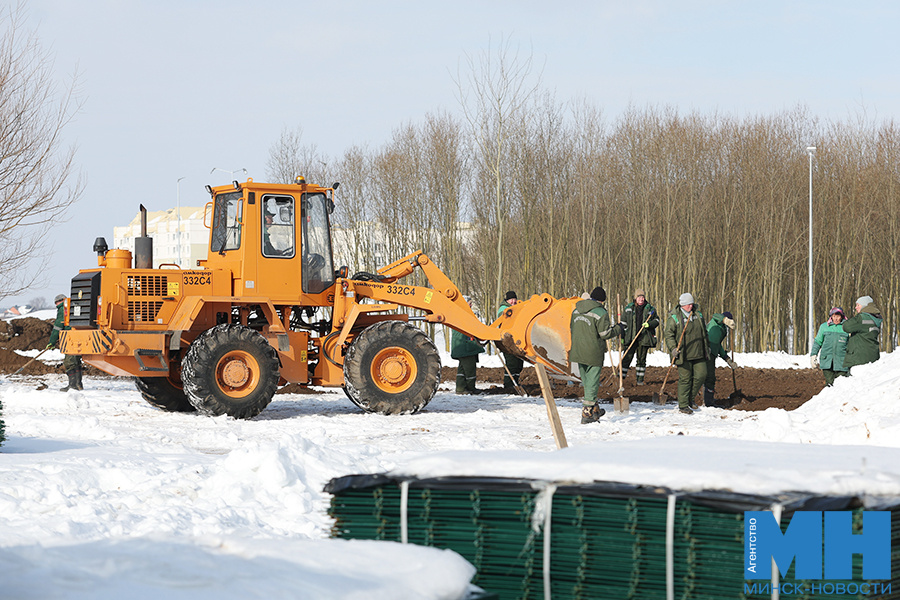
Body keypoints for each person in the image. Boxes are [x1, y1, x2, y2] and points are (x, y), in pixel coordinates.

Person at [569, 286, 624, 424]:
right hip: (593, 352)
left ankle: (595, 409)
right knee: (592, 383)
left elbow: (571, 328)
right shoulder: (600, 312)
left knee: (587, 381)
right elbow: (604, 334)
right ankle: (586, 414)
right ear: (601, 301)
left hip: (577, 351)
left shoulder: (576, 310)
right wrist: (618, 328)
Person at [663, 293, 709, 415]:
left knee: (701, 375)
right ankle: (683, 405)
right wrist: (673, 348)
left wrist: (707, 346)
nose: (691, 306)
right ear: (682, 305)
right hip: (683, 354)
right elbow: (669, 335)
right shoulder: (674, 317)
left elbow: (704, 332)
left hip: (698, 352)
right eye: (688, 304)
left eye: (692, 303)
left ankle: (690, 398)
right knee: (685, 379)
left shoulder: (698, 315)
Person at [619, 289, 659, 385]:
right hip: (631, 338)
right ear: (635, 298)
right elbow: (623, 323)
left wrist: (649, 324)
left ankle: (640, 380)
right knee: (626, 359)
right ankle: (620, 379)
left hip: (644, 338)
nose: (641, 299)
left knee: (641, 360)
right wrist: (623, 336)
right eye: (639, 297)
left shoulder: (650, 309)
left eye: (642, 297)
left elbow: (657, 321)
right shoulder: (629, 308)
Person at [48, 294, 83, 392]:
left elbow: (58, 326)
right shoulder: (75, 306)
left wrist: (52, 342)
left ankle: (72, 386)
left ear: (61, 301)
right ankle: (78, 385)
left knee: (69, 362)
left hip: (70, 337)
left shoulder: (63, 308)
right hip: (79, 336)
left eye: (56, 303)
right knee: (76, 361)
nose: (56, 305)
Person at [703, 311, 737, 405]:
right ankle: (707, 402)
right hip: (705, 352)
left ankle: (708, 400)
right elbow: (715, 316)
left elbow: (717, 346)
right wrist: (725, 319)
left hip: (712, 354)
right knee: (707, 377)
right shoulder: (715, 321)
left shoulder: (722, 330)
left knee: (710, 377)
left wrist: (727, 359)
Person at [842, 295, 883, 371]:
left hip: (858, 359)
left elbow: (846, 326)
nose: (856, 307)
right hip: (873, 356)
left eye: (858, 305)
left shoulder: (861, 317)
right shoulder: (876, 319)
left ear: (864, 306)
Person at [811, 307, 849, 386]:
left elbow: (851, 345)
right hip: (827, 361)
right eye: (834, 316)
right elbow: (818, 342)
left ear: (842, 316)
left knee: (841, 385)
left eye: (838, 316)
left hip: (842, 362)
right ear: (831, 316)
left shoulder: (847, 328)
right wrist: (813, 355)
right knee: (830, 384)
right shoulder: (824, 327)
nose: (836, 319)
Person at [496, 290, 524, 392]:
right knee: (511, 363)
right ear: (507, 300)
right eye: (511, 299)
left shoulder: (516, 307)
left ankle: (515, 382)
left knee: (518, 363)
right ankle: (508, 385)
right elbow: (506, 318)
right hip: (506, 342)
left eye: (514, 299)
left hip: (515, 340)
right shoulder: (503, 309)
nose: (513, 301)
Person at [451, 328, 485, 394]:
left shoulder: (457, 322)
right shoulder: (463, 321)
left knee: (462, 369)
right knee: (470, 368)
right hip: (466, 347)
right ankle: (470, 388)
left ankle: (460, 388)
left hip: (461, 346)